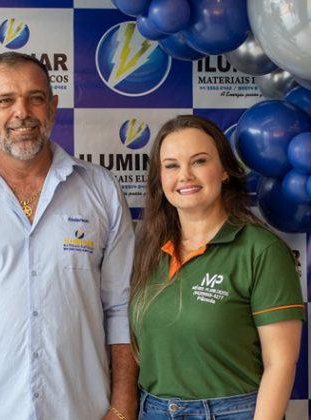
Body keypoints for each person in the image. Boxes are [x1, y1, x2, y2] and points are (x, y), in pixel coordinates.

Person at [0, 52, 138, 419]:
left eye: (35, 98)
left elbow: (121, 309)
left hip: (81, 410)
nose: (22, 112)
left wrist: (123, 405)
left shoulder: (102, 190)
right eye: (5, 101)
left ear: (53, 107)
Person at [130, 115, 304, 419]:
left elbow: (280, 364)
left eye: (199, 161)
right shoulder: (148, 250)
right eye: (171, 166)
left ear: (224, 170)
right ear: (160, 178)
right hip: (153, 410)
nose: (185, 175)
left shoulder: (261, 250)